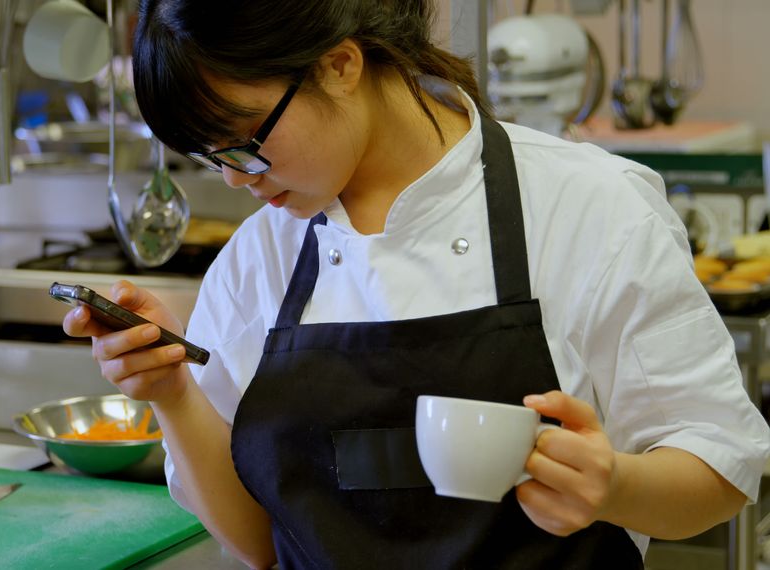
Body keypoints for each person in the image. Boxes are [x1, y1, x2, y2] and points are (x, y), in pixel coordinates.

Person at [63, 1, 770, 568]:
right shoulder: (259, 259)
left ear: (340, 65)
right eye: (208, 157)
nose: (234, 180)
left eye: (244, 143)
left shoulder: (588, 205)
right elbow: (258, 544)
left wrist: (615, 486)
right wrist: (170, 394)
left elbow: (721, 474)